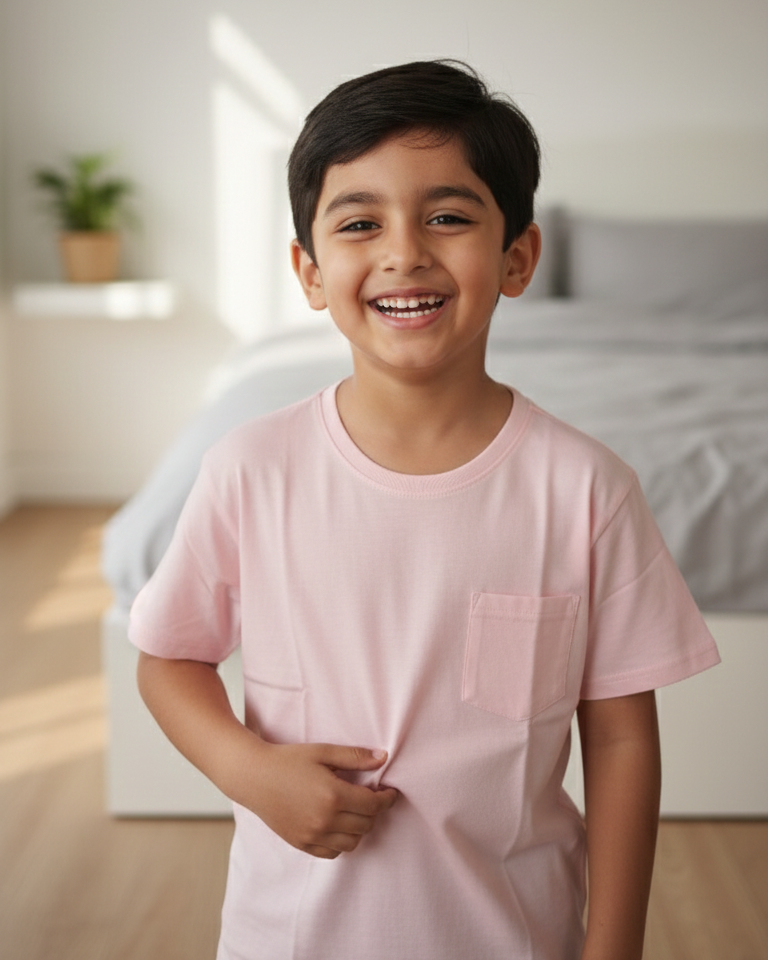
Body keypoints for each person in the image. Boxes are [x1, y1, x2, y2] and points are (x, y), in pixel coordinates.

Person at [131, 60, 720, 960]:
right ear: (310, 270)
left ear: (517, 257)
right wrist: (249, 773)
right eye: (361, 224)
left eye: (448, 217)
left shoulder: (586, 488)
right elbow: (169, 658)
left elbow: (622, 740)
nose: (405, 253)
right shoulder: (252, 469)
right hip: (287, 938)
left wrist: (615, 951)